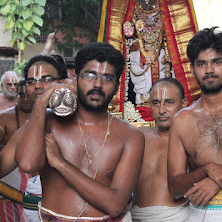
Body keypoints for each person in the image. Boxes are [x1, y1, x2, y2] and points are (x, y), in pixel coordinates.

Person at [15, 42, 145, 222]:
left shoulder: (130, 136)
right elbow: (28, 165)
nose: (98, 84)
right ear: (75, 79)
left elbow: (115, 205)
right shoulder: (48, 122)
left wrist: (60, 163)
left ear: (117, 86)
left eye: (107, 78)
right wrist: (41, 102)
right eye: (90, 75)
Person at [167, 27, 222, 222]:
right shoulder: (182, 120)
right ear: (192, 68)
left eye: (216, 62)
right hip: (200, 215)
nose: (209, 70)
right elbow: (175, 188)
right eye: (201, 64)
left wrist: (218, 181)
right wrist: (206, 170)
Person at [0, 55, 68, 222]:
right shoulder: (27, 130)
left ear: (63, 81)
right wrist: (41, 105)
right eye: (31, 81)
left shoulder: (85, 120)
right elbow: (23, 165)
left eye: (46, 79)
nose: (37, 85)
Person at [130, 77, 189, 222]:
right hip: (135, 216)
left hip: (175, 217)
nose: (162, 110)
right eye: (155, 103)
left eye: (169, 102)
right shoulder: (138, 136)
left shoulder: (191, 140)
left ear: (183, 104)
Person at [0, 79, 33, 147]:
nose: (25, 99)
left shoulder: (47, 115)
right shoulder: (4, 118)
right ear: (16, 96)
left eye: (28, 95)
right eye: (21, 95)